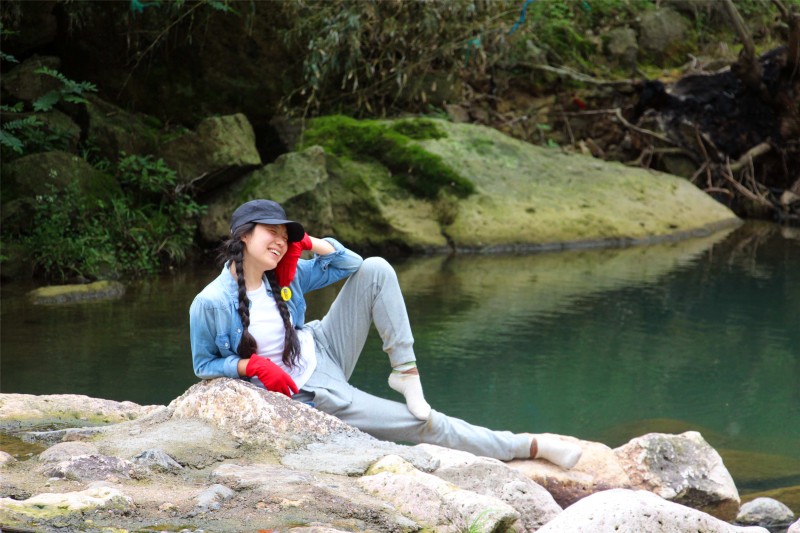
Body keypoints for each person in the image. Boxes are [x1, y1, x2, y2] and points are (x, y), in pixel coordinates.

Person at [189, 199, 582, 467]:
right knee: (423, 424)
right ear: (244, 235)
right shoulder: (210, 303)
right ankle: (526, 446)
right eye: (271, 232)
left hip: (321, 346)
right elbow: (204, 364)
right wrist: (252, 366)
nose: (280, 241)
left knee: (376, 268)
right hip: (310, 391)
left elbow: (352, 264)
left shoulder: (285, 275)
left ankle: (406, 372)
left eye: (285, 235)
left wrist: (310, 244)